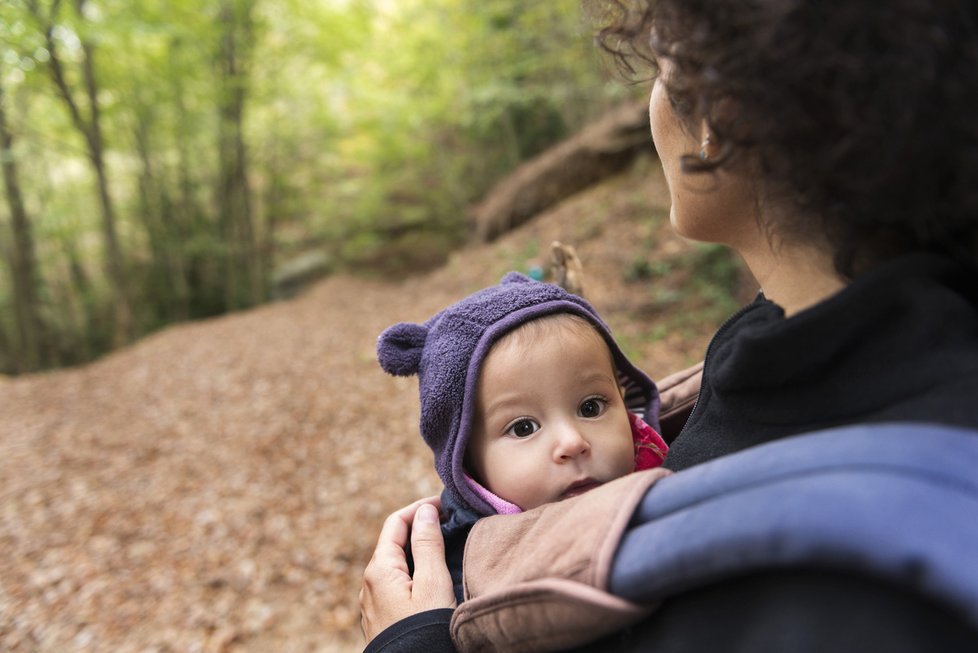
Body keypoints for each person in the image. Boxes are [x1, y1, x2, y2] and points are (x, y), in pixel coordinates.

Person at [360, 0, 978, 650]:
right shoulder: (778, 366)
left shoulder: (847, 567)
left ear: (717, 113)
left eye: (666, 67)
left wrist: (414, 642)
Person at [374, 272, 669, 603]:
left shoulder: (674, 467)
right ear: (466, 463)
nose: (572, 442)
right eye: (523, 428)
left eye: (590, 407)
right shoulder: (459, 578)